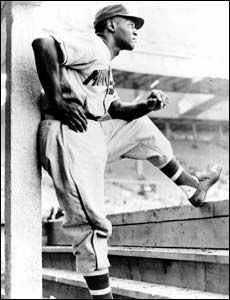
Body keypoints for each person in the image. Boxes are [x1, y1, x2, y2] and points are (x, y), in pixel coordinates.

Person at [32, 4, 222, 299]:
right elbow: (43, 45)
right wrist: (57, 101)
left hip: (91, 131)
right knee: (91, 222)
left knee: (141, 127)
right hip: (68, 133)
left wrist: (146, 105)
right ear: (110, 25)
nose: (136, 29)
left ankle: (192, 188)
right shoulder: (94, 46)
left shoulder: (105, 64)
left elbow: (117, 109)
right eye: (130, 23)